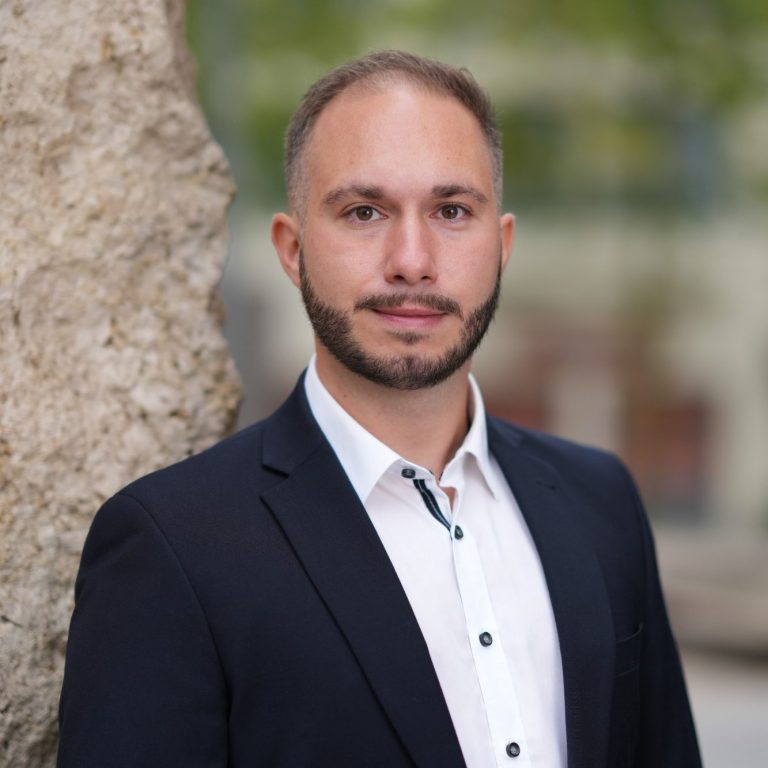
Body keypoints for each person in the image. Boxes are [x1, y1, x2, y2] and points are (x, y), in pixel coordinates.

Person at [57, 51, 701, 768]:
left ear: (502, 246)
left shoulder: (600, 501)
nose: (412, 259)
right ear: (293, 250)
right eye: (364, 212)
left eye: (452, 211)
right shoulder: (171, 546)